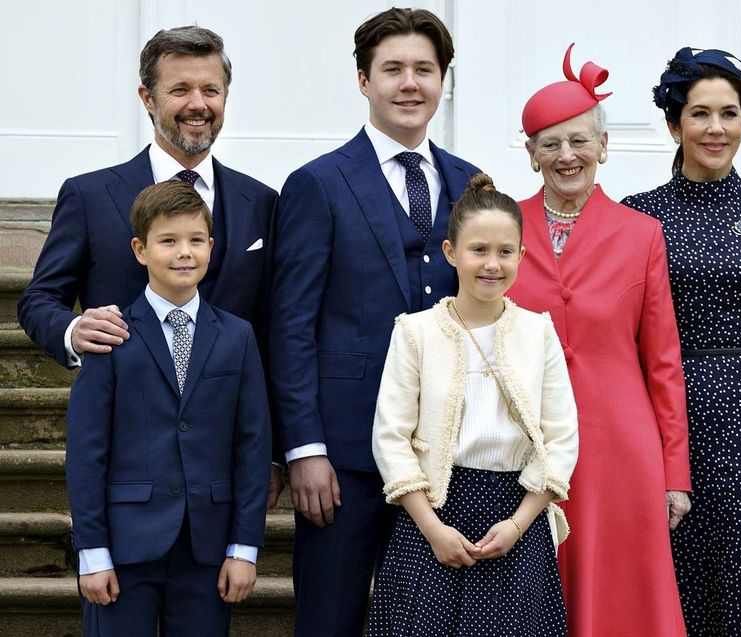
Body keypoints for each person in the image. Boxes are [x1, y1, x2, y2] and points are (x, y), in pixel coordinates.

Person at [268, 8, 481, 634]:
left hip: (449, 455)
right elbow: (291, 325)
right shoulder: (317, 184)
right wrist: (305, 448)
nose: (409, 84)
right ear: (364, 80)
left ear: (443, 80)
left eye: (424, 69)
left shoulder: (471, 184)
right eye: (392, 69)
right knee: (329, 618)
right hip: (345, 455)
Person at [16, 26, 283, 507]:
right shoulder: (90, 196)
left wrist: (274, 452)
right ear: (147, 97)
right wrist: (73, 330)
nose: (197, 103)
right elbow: (38, 299)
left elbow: (274, 330)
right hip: (130, 453)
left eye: (210, 90)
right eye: (179, 89)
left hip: (229, 453)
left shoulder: (262, 202)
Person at [621, 47, 741, 637]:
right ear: (675, 125)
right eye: (700, 114)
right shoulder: (639, 215)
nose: (716, 128)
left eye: (729, 113)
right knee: (675, 571)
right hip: (666, 413)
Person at [508, 44, 691, 637]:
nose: (568, 155)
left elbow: (663, 362)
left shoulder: (642, 235)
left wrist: (674, 473)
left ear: (604, 148)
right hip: (523, 441)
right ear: (532, 154)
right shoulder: (502, 227)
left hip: (619, 445)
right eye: (551, 143)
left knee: (617, 592)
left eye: (580, 140)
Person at [366, 173, 578, 636]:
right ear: (450, 253)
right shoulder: (415, 332)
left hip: (514, 517)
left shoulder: (537, 332)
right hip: (433, 517)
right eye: (478, 250)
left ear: (522, 255)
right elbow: (391, 437)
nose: (492, 264)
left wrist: (520, 524)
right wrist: (432, 528)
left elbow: (561, 438)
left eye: (505, 252)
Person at [65, 181, 271, 636]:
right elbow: (86, 450)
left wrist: (244, 548)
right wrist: (92, 552)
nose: (184, 253)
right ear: (140, 250)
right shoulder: (110, 335)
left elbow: (252, 447)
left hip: (208, 546)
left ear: (211, 247)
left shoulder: (237, 337)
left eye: (196, 240)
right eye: (168, 241)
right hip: (124, 546)